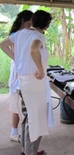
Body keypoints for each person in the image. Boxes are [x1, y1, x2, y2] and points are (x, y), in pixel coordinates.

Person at [0, 10, 54, 155]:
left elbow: (3, 45)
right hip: (34, 83)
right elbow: (33, 49)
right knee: (34, 120)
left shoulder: (20, 34)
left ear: (32, 21)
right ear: (47, 26)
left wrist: (17, 59)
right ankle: (30, 151)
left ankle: (26, 149)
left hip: (22, 82)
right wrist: (41, 69)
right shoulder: (38, 36)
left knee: (27, 117)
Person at [7, 10, 33, 143]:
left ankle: (16, 132)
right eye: (30, 22)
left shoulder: (25, 33)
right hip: (18, 70)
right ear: (24, 20)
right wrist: (17, 60)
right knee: (18, 103)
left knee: (19, 104)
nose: (31, 24)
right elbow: (12, 51)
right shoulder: (16, 34)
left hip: (21, 68)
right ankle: (15, 132)